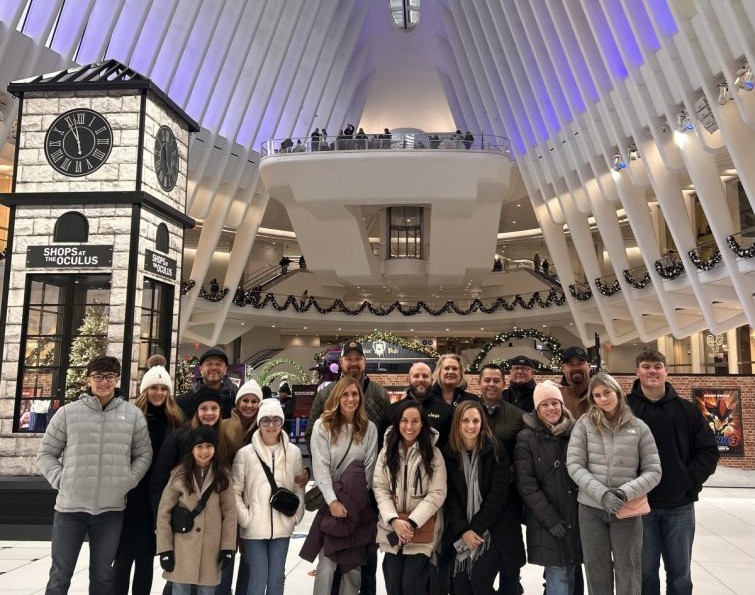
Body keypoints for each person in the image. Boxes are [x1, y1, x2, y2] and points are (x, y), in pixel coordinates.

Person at [36, 356, 152, 595]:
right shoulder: (68, 413)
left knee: (102, 577)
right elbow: (46, 454)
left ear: (116, 380)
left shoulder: (132, 415)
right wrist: (62, 480)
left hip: (110, 513)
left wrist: (127, 481)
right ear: (89, 379)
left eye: (109, 376)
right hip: (70, 511)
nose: (103, 382)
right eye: (98, 376)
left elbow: (144, 454)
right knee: (60, 576)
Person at [627, 349, 719, 595]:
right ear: (637, 372)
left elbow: (708, 451)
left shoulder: (687, 411)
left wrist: (687, 480)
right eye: (646, 366)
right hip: (639, 506)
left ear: (666, 371)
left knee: (680, 575)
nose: (652, 371)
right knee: (644, 573)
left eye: (657, 366)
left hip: (679, 506)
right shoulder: (624, 410)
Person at [566, 372, 662, 595]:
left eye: (606, 393)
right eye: (597, 395)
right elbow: (574, 464)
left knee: (628, 567)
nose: (602, 399)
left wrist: (623, 493)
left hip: (627, 509)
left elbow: (654, 471)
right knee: (596, 567)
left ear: (617, 392)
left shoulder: (639, 428)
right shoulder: (584, 425)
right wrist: (602, 494)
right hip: (591, 509)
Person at [300, 376, 379, 595]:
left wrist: (354, 501)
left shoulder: (369, 428)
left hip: (357, 505)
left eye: (354, 394)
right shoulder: (322, 426)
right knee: (327, 564)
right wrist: (333, 501)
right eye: (345, 394)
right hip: (332, 504)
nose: (350, 399)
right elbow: (321, 466)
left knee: (352, 567)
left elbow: (370, 468)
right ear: (337, 397)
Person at [114, 364, 184, 595]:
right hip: (132, 494)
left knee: (146, 557)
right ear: (145, 390)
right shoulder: (131, 417)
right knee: (123, 557)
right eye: (153, 387)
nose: (159, 392)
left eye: (163, 388)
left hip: (159, 496)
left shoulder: (176, 420)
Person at [232, 399, 305, 595]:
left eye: (275, 420)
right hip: (254, 529)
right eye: (265, 420)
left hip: (282, 526)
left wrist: (296, 514)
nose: (271, 425)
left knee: (276, 578)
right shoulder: (245, 454)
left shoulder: (294, 453)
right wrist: (245, 518)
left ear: (282, 422)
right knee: (258, 577)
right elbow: (234, 491)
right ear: (258, 423)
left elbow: (298, 486)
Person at [373, 400, 447, 595]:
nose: (409, 426)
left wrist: (412, 522)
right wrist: (395, 520)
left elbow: (437, 493)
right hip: (392, 528)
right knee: (394, 585)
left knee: (413, 585)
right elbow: (380, 488)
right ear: (397, 423)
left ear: (422, 423)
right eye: (404, 420)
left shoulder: (434, 454)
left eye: (415, 421)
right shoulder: (386, 452)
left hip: (422, 530)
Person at [444, 401, 517, 595]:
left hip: (493, 531)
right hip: (462, 531)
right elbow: (450, 497)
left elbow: (498, 495)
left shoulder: (495, 448)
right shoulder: (449, 453)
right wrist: (463, 530)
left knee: (479, 584)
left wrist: (475, 529)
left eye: (476, 420)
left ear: (482, 423)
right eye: (465, 420)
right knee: (459, 587)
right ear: (457, 423)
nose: (471, 426)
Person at [514, 381, 581, 595]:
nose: (551, 408)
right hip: (548, 521)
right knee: (558, 575)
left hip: (577, 516)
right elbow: (526, 484)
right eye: (545, 405)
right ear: (537, 409)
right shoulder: (526, 438)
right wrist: (549, 518)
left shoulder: (575, 432)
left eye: (555, 403)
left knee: (571, 571)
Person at [156, 426, 237, 595]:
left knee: (207, 591)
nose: (204, 451)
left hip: (211, 549)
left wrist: (228, 547)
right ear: (192, 450)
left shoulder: (223, 476)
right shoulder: (179, 475)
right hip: (182, 549)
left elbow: (230, 513)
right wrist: (165, 549)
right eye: (199, 447)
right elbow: (164, 512)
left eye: (209, 446)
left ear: (215, 448)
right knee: (180, 590)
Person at [476, 363, 526, 594]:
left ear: (504, 384)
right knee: (478, 564)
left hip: (508, 500)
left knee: (509, 560)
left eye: (496, 380)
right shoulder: (467, 414)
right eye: (487, 380)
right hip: (475, 497)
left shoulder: (518, 417)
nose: (491, 384)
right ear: (479, 383)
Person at [378, 362, 454, 451]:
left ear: (432, 380)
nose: (421, 379)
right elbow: (382, 445)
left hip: (436, 463)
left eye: (425, 376)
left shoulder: (446, 411)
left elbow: (453, 447)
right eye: (416, 376)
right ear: (408, 379)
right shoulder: (392, 411)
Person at [176, 347, 238, 420]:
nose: (214, 368)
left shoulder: (235, 397)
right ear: (201, 369)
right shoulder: (184, 401)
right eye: (209, 364)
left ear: (225, 369)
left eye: (218, 364)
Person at [559, 346, 591, 419]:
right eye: (571, 364)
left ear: (589, 367)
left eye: (580, 363)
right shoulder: (557, 397)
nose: (576, 368)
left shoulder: (600, 394)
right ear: (563, 369)